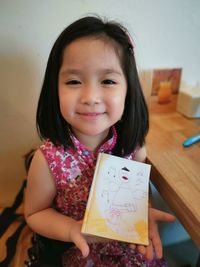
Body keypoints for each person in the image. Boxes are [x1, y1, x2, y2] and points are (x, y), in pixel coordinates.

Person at [24, 15, 175, 266]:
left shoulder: (133, 147)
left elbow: (139, 192)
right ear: (55, 88)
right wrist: (71, 229)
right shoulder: (48, 159)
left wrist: (142, 212)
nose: (91, 97)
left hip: (133, 252)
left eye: (108, 81)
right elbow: (35, 213)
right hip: (83, 255)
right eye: (74, 81)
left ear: (128, 89)